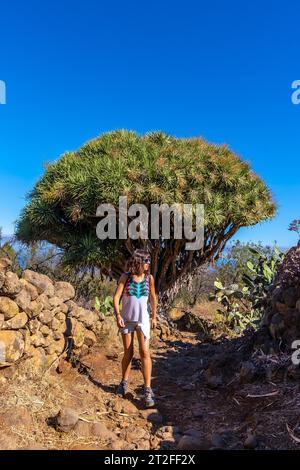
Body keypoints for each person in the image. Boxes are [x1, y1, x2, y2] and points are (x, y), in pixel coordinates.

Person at [113, 249, 157, 407]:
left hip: (143, 320)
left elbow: (152, 297)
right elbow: (116, 297)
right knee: (128, 352)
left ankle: (147, 389)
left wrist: (154, 316)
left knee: (145, 352)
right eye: (146, 261)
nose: (148, 264)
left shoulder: (149, 279)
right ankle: (123, 383)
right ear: (139, 261)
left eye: (149, 261)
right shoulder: (125, 277)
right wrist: (118, 315)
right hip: (127, 320)